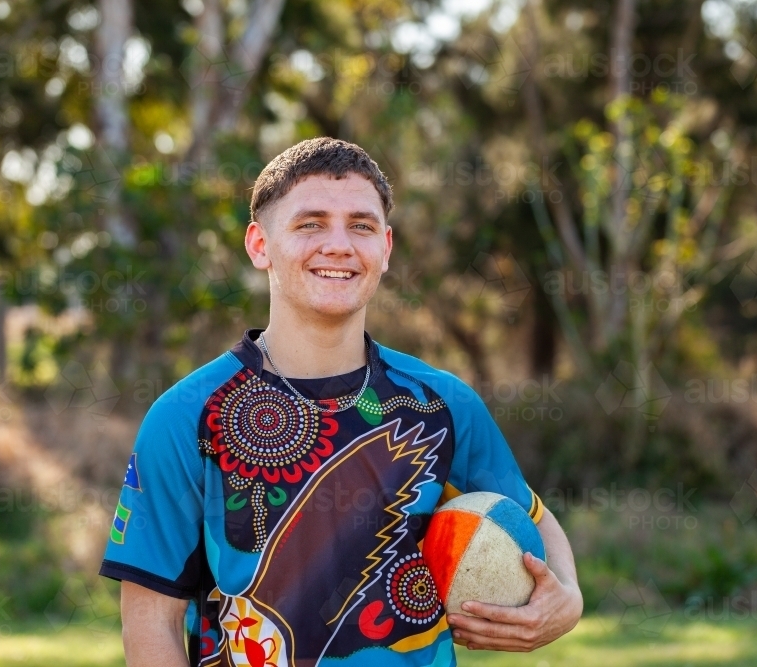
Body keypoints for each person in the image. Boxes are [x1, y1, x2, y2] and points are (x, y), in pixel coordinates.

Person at [99, 137, 583, 666]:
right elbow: (152, 624)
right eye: (310, 224)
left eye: (361, 225)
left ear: (386, 248)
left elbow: (531, 517)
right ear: (259, 245)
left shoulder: (441, 404)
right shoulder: (188, 415)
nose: (338, 244)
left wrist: (569, 599)